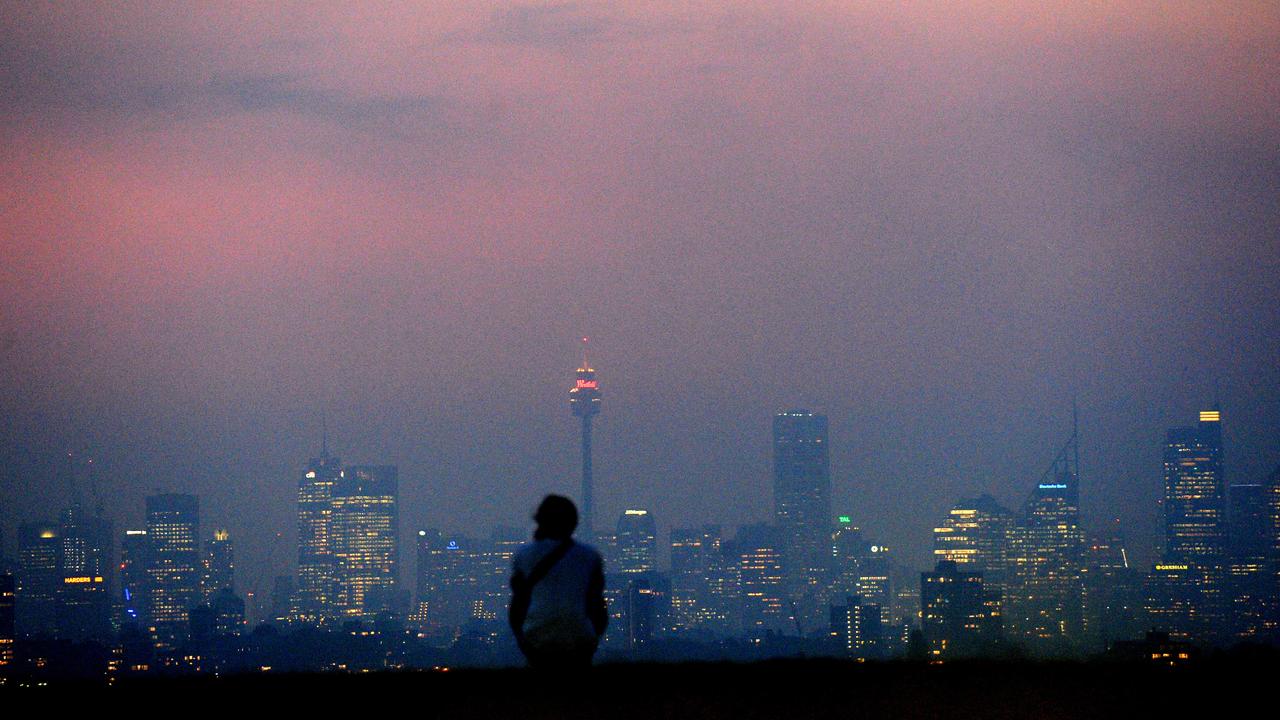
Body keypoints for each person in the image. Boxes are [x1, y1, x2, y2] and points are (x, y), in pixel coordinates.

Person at [509, 494, 607, 668]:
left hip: (538, 637)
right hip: (580, 639)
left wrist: (522, 639)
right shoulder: (590, 556)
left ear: (540, 521)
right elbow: (597, 606)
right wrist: (594, 636)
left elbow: (518, 606)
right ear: (574, 523)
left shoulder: (523, 555)